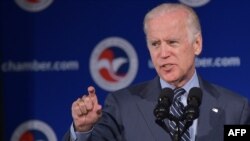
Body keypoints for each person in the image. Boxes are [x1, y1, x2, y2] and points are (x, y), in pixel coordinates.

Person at [63, 3, 250, 141]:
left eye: (172, 42)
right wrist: (83, 130)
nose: (163, 54)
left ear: (197, 44)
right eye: (155, 44)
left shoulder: (234, 109)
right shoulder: (122, 105)